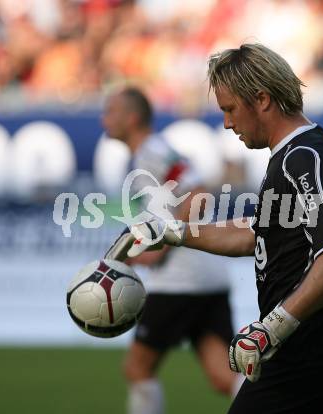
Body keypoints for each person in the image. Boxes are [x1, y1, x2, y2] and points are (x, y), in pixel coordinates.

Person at [109, 44, 323, 413]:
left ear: (262, 99)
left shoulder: (305, 156)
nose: (227, 123)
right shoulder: (297, 155)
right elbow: (256, 236)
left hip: (313, 343)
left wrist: (272, 327)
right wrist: (171, 231)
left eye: (229, 109)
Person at [102, 87, 238, 414]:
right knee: (226, 378)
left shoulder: (151, 151)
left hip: (179, 281)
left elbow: (198, 194)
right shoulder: (150, 154)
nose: (103, 118)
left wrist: (160, 248)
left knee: (137, 369)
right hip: (209, 275)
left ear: (132, 118)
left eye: (111, 111)